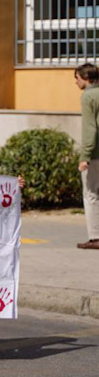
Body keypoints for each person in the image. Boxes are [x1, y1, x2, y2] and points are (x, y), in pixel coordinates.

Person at [76, 63, 99, 250]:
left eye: (77, 78)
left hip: (95, 154)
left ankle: (95, 236)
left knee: (91, 194)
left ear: (85, 78)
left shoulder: (88, 97)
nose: (76, 82)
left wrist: (85, 155)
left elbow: (90, 129)